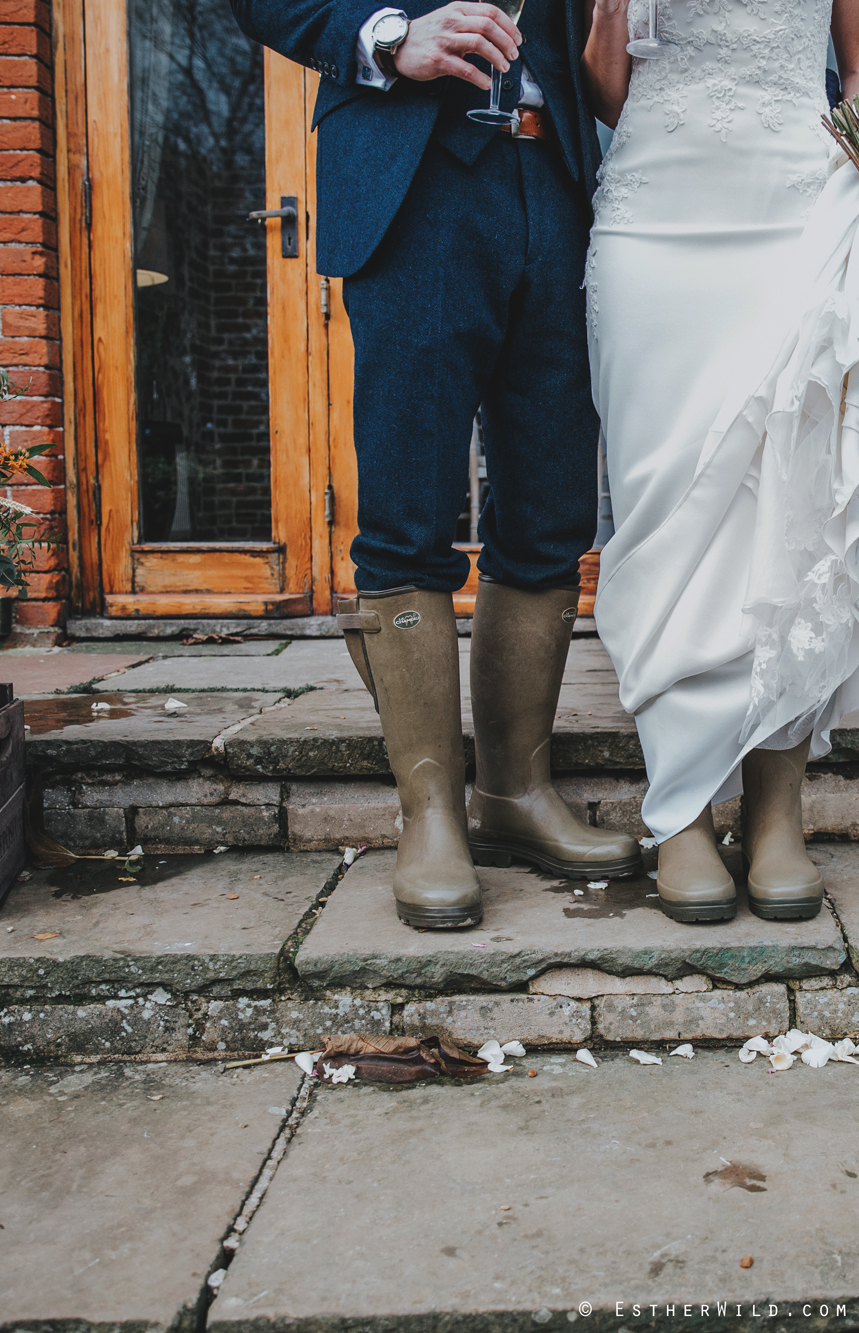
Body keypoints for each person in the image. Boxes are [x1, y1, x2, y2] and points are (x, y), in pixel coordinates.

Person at [229, 0, 642, 930]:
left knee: (551, 507)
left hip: (563, 176)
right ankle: (430, 817)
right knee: (407, 504)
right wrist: (387, 36)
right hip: (415, 179)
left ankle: (515, 791)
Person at [582, 0, 859, 923]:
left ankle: (778, 808)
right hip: (653, 225)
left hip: (796, 219)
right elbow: (607, 85)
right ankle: (682, 811)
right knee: (665, 505)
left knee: (797, 496)